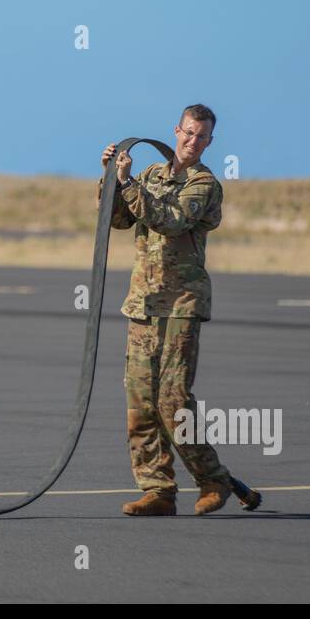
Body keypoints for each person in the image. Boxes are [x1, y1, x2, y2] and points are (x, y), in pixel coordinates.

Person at [100, 104, 233, 516]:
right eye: (188, 133)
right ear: (176, 130)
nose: (192, 143)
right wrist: (111, 178)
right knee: (140, 402)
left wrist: (129, 186)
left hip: (180, 304)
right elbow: (119, 218)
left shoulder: (203, 184)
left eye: (202, 137)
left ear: (210, 142)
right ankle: (157, 489)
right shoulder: (152, 175)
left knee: (173, 402)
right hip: (143, 301)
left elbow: (169, 219)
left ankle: (212, 479)